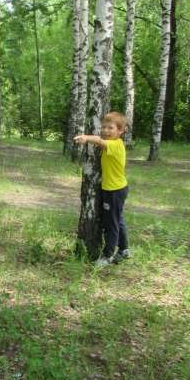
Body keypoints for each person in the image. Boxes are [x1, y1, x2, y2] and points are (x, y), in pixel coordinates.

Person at [74, 111, 130, 268]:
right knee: (117, 220)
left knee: (111, 224)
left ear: (120, 131)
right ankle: (124, 249)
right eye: (104, 127)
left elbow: (99, 141)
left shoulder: (116, 145)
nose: (106, 130)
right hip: (114, 189)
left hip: (115, 191)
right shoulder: (111, 144)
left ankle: (107, 255)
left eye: (110, 128)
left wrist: (86, 138)